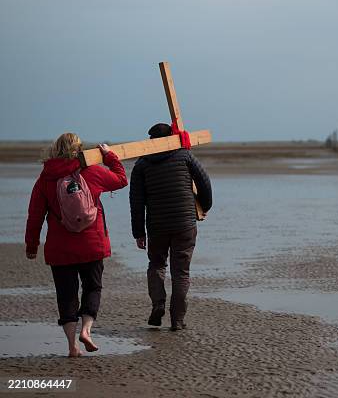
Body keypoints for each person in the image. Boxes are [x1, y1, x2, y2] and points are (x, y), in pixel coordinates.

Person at [25, 133, 128, 357]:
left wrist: (31, 246)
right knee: (92, 287)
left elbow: (35, 216)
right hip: (92, 245)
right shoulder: (92, 171)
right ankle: (87, 331)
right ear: (80, 149)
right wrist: (110, 157)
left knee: (66, 295)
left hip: (60, 249)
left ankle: (72, 346)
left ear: (55, 150)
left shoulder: (45, 178)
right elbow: (121, 180)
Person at [129, 123, 212, 331]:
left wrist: (138, 232)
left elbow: (136, 201)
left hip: (157, 226)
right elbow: (204, 182)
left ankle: (158, 304)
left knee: (156, 265)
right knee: (181, 272)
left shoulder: (141, 165)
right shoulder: (185, 156)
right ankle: (177, 320)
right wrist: (205, 205)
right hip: (184, 224)